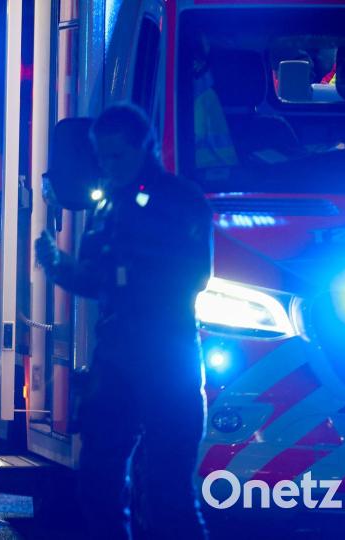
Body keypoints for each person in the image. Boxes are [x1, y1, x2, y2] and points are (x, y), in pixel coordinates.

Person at [36, 104, 212, 540]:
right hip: (116, 356)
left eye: (117, 156)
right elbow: (98, 280)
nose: (108, 167)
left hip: (166, 353)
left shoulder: (181, 201)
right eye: (102, 158)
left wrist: (127, 273)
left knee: (166, 488)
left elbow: (193, 274)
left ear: (143, 148)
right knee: (97, 477)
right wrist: (58, 266)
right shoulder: (108, 205)